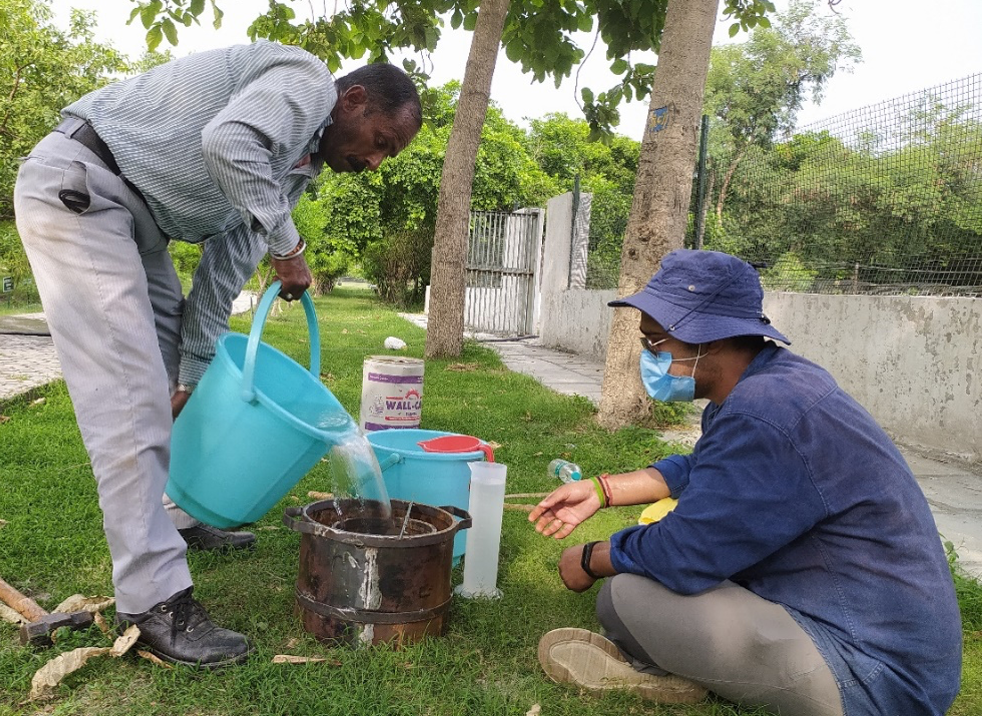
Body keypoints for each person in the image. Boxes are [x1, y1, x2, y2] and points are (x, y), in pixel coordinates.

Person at [13, 40, 422, 668]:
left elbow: (222, 272)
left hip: (135, 218)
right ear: (354, 98)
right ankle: (152, 602)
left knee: (179, 364)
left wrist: (195, 371)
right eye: (380, 142)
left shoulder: (296, 168)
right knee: (130, 396)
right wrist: (289, 246)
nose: (373, 161)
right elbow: (227, 142)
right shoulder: (306, 81)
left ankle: (175, 511)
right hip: (82, 190)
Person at [529, 249, 962, 715]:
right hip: (879, 646)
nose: (647, 357)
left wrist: (593, 558)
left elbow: (685, 553)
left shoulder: (764, 413)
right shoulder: (770, 383)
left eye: (656, 343)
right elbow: (705, 467)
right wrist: (602, 490)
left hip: (874, 678)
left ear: (710, 339)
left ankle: (675, 673)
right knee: (628, 601)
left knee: (629, 593)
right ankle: (683, 676)